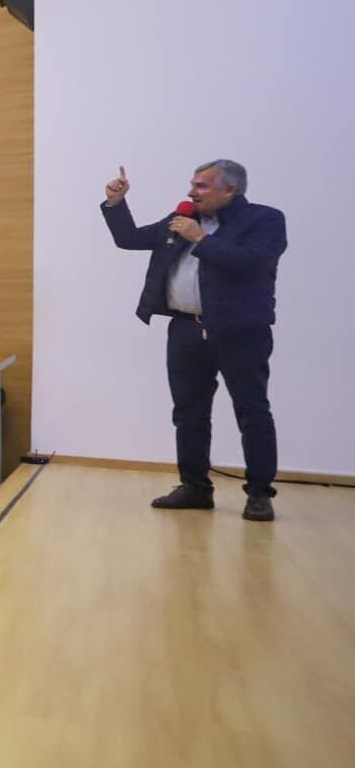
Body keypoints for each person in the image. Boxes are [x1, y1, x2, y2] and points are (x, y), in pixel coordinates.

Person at [101, 160, 285, 520]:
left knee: (251, 410)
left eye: (201, 186)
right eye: (192, 184)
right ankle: (195, 487)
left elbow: (252, 263)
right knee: (188, 412)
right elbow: (130, 239)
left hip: (240, 331)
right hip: (185, 329)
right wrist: (115, 205)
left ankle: (260, 494)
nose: (191, 192)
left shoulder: (264, 220)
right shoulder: (183, 217)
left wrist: (200, 239)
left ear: (229, 189)